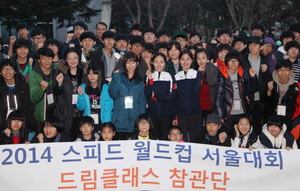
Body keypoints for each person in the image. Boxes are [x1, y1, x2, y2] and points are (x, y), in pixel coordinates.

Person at [214, 50, 259, 131]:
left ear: (239, 62)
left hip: (242, 111)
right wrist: (220, 116)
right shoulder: (222, 75)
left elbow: (252, 89)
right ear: (227, 62)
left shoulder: (242, 73)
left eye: (236, 60)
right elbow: (218, 97)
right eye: (231, 60)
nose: (233, 63)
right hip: (228, 112)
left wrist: (253, 77)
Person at [109, 52, 146, 140]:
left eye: (133, 62)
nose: (130, 65)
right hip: (120, 122)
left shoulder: (140, 80)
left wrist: (141, 121)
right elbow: (113, 94)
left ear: (137, 63)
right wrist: (116, 77)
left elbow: (142, 101)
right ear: (124, 64)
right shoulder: (118, 77)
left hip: (135, 123)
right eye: (128, 62)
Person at [28, 47, 64, 133]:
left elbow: (58, 92)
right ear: (39, 60)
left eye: (49, 58)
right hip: (41, 116)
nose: (47, 61)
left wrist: (60, 84)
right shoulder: (33, 74)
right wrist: (41, 89)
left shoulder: (56, 70)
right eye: (43, 58)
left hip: (56, 112)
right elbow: (33, 99)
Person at [241, 36, 271, 135]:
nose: (252, 47)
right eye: (250, 45)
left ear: (261, 47)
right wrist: (244, 94)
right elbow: (240, 80)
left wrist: (265, 72)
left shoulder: (265, 61)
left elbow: (268, 81)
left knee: (257, 126)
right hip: (247, 99)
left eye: (255, 45)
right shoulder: (243, 60)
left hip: (260, 100)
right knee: (244, 126)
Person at [56, 48, 87, 140]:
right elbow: (56, 92)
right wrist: (60, 84)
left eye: (75, 58)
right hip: (65, 112)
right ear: (66, 60)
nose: (73, 61)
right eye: (70, 58)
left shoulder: (85, 73)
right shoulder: (60, 73)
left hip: (81, 112)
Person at [172, 50, 202, 142]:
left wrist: (199, 75)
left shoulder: (196, 74)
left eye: (188, 59)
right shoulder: (175, 76)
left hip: (195, 112)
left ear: (192, 60)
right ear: (179, 61)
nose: (185, 62)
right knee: (182, 140)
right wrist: (175, 116)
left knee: (196, 140)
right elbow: (174, 98)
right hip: (181, 114)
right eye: (182, 59)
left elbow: (196, 90)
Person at [145, 53, 176, 140]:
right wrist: (150, 79)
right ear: (152, 63)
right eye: (156, 62)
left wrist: (157, 97)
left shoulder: (170, 76)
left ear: (165, 63)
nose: (159, 65)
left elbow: (173, 96)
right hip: (152, 113)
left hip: (166, 114)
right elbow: (148, 94)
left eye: (161, 62)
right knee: (152, 139)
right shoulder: (148, 76)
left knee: (164, 139)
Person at [261, 59, 297, 130]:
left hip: (285, 119)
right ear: (276, 71)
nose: (283, 73)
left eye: (286, 70)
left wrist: (285, 123)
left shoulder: (294, 87)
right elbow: (263, 101)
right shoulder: (270, 81)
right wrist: (269, 91)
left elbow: (291, 107)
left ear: (291, 71)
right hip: (270, 117)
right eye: (280, 70)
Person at [77, 64, 113, 131]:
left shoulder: (106, 88)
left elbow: (108, 108)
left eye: (95, 74)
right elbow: (80, 107)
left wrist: (106, 124)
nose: (92, 76)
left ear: (99, 75)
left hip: (102, 121)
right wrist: (80, 95)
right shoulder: (83, 87)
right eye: (90, 74)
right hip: (88, 124)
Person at [0, 59, 34, 131]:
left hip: (22, 126)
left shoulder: (24, 87)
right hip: (3, 127)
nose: (7, 72)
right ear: (0, 72)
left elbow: (29, 108)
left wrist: (25, 125)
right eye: (4, 69)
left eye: (11, 68)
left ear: (15, 71)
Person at [194, 49, 219, 122]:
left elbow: (212, 82)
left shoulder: (214, 69)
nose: (201, 61)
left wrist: (208, 66)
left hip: (211, 106)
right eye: (198, 58)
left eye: (203, 58)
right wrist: (199, 74)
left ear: (207, 58)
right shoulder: (195, 72)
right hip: (199, 107)